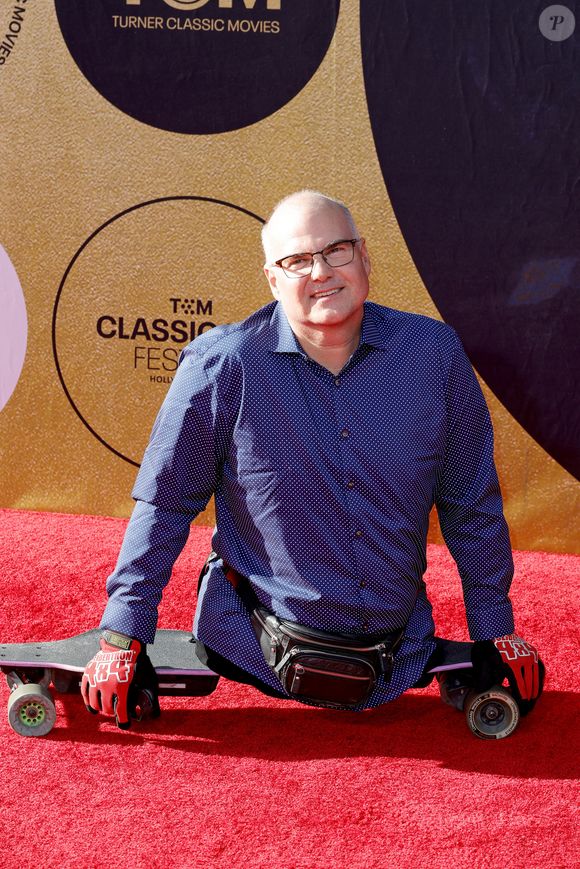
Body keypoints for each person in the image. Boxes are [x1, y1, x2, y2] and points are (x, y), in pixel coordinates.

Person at [81, 190, 543, 728]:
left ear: (365, 258)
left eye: (336, 251)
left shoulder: (435, 356)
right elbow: (164, 504)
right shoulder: (221, 367)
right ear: (273, 280)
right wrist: (122, 633)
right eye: (297, 260)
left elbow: (472, 505)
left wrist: (493, 627)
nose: (321, 272)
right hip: (252, 646)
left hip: (401, 651)